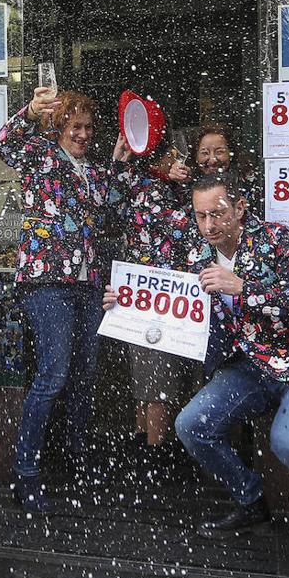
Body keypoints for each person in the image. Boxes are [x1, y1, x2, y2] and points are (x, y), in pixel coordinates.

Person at [145, 170, 289, 548]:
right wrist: (123, 302)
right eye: (200, 215)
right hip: (250, 365)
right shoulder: (196, 252)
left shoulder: (276, 238)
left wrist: (244, 289)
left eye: (217, 214)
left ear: (239, 208)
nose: (209, 225)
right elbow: (159, 293)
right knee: (191, 425)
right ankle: (251, 501)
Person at [0, 86, 123, 513]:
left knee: (84, 375)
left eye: (88, 127)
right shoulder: (40, 155)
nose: (83, 134)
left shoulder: (94, 172)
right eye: (75, 126)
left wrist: (122, 162)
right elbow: (5, 143)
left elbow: (112, 213)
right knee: (53, 374)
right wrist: (30, 111)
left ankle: (78, 457)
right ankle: (25, 474)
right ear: (60, 128)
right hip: (46, 282)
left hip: (88, 286)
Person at [111, 140, 194, 463]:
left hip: (147, 293)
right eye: (174, 156)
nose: (179, 163)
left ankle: (144, 441)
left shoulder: (142, 182)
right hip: (157, 295)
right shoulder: (149, 187)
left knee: (148, 371)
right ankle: (156, 454)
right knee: (157, 373)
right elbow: (183, 228)